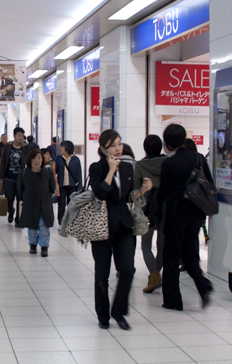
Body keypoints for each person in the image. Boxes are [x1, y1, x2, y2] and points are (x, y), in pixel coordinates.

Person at [89, 129, 152, 331]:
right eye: (113, 145)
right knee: (102, 275)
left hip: (124, 226)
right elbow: (99, 194)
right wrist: (110, 171)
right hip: (101, 227)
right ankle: (103, 314)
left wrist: (141, 191)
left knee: (127, 269)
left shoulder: (127, 168)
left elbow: (127, 197)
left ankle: (118, 310)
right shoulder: (96, 168)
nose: (118, 148)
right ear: (103, 149)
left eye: (119, 143)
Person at [158, 124, 213, 311]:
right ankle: (203, 285)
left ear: (168, 142)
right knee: (190, 254)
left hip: (175, 215)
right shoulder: (198, 158)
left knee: (171, 258)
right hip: (196, 214)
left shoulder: (169, 163)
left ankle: (173, 300)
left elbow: (163, 192)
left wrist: (156, 215)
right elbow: (209, 183)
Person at [134, 134, 167, 294]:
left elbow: (135, 187)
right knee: (161, 246)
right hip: (165, 208)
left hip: (147, 208)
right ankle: (156, 275)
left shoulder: (140, 165)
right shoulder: (167, 162)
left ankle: (154, 276)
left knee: (146, 245)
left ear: (145, 148)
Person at [18, 149, 56, 257]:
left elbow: (52, 187)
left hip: (45, 204)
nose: (37, 160)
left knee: (44, 227)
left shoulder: (47, 172)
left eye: (39, 158)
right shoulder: (24, 173)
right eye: (34, 158)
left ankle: (44, 247)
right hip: (30, 204)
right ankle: (33, 245)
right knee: (33, 227)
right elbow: (20, 189)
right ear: (29, 160)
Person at [0, 127, 30, 227]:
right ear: (14, 136)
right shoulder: (8, 147)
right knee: (9, 200)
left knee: (20, 199)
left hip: (21, 179)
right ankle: (11, 212)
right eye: (19, 135)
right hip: (8, 178)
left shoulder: (26, 148)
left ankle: (18, 219)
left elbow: (29, 162)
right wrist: (1, 178)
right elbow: (3, 162)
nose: (20, 138)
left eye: (22, 136)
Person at [55, 140, 83, 225]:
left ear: (67, 148)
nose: (60, 148)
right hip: (61, 186)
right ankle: (61, 222)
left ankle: (71, 222)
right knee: (61, 205)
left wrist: (80, 189)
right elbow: (54, 172)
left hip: (72, 186)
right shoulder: (59, 158)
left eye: (62, 146)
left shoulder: (76, 159)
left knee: (71, 205)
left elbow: (79, 174)